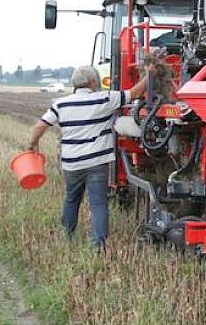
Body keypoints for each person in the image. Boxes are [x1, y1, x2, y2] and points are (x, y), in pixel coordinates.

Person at [27, 65, 150, 249]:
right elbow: (135, 92)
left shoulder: (61, 104)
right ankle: (98, 245)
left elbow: (39, 126)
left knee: (71, 199)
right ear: (93, 83)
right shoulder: (106, 98)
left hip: (71, 164)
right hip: (96, 162)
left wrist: (33, 144)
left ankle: (67, 236)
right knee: (98, 204)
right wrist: (150, 73)